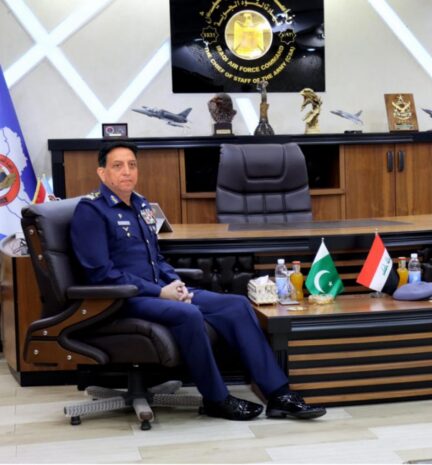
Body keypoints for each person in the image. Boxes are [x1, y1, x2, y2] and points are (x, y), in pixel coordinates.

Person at [70, 141, 326, 421]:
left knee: (237, 305)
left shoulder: (141, 205)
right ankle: (216, 399)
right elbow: (100, 273)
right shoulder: (91, 211)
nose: (127, 171)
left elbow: (157, 259)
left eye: (132, 165)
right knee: (189, 314)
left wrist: (176, 284)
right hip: (123, 299)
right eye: (117, 166)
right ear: (102, 172)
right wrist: (160, 292)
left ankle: (279, 395)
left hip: (159, 291)